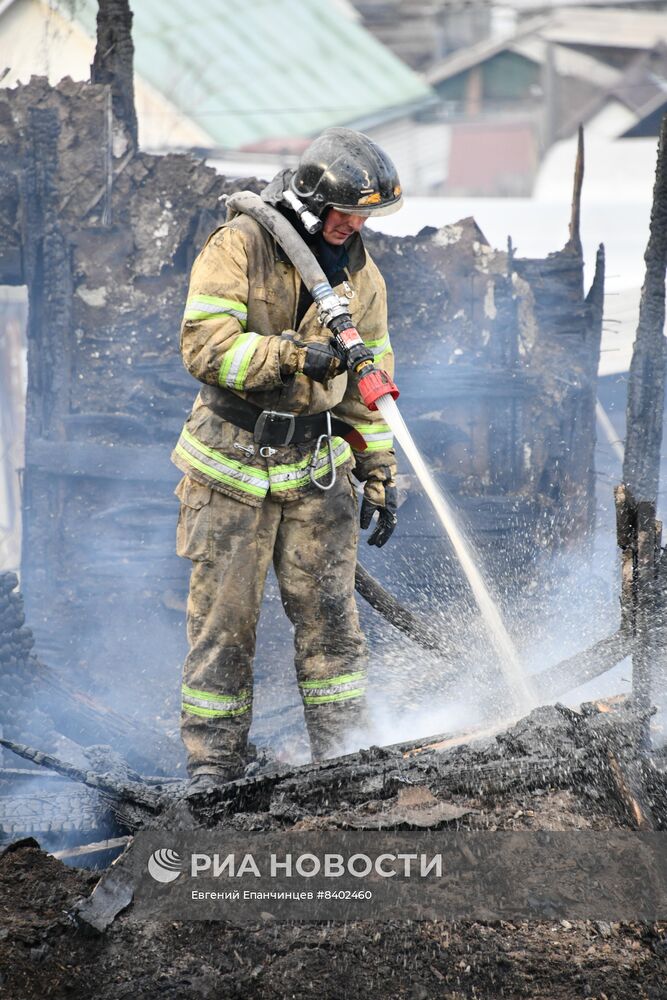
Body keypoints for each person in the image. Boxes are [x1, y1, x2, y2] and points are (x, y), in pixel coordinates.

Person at [172, 127, 403, 788]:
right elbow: (206, 349)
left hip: (313, 470)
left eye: (365, 216)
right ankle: (212, 769)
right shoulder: (240, 245)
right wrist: (294, 356)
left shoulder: (363, 276)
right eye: (346, 212)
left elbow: (369, 383)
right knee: (225, 629)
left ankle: (346, 758)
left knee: (332, 627)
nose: (355, 225)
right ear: (309, 200)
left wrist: (378, 470)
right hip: (230, 469)